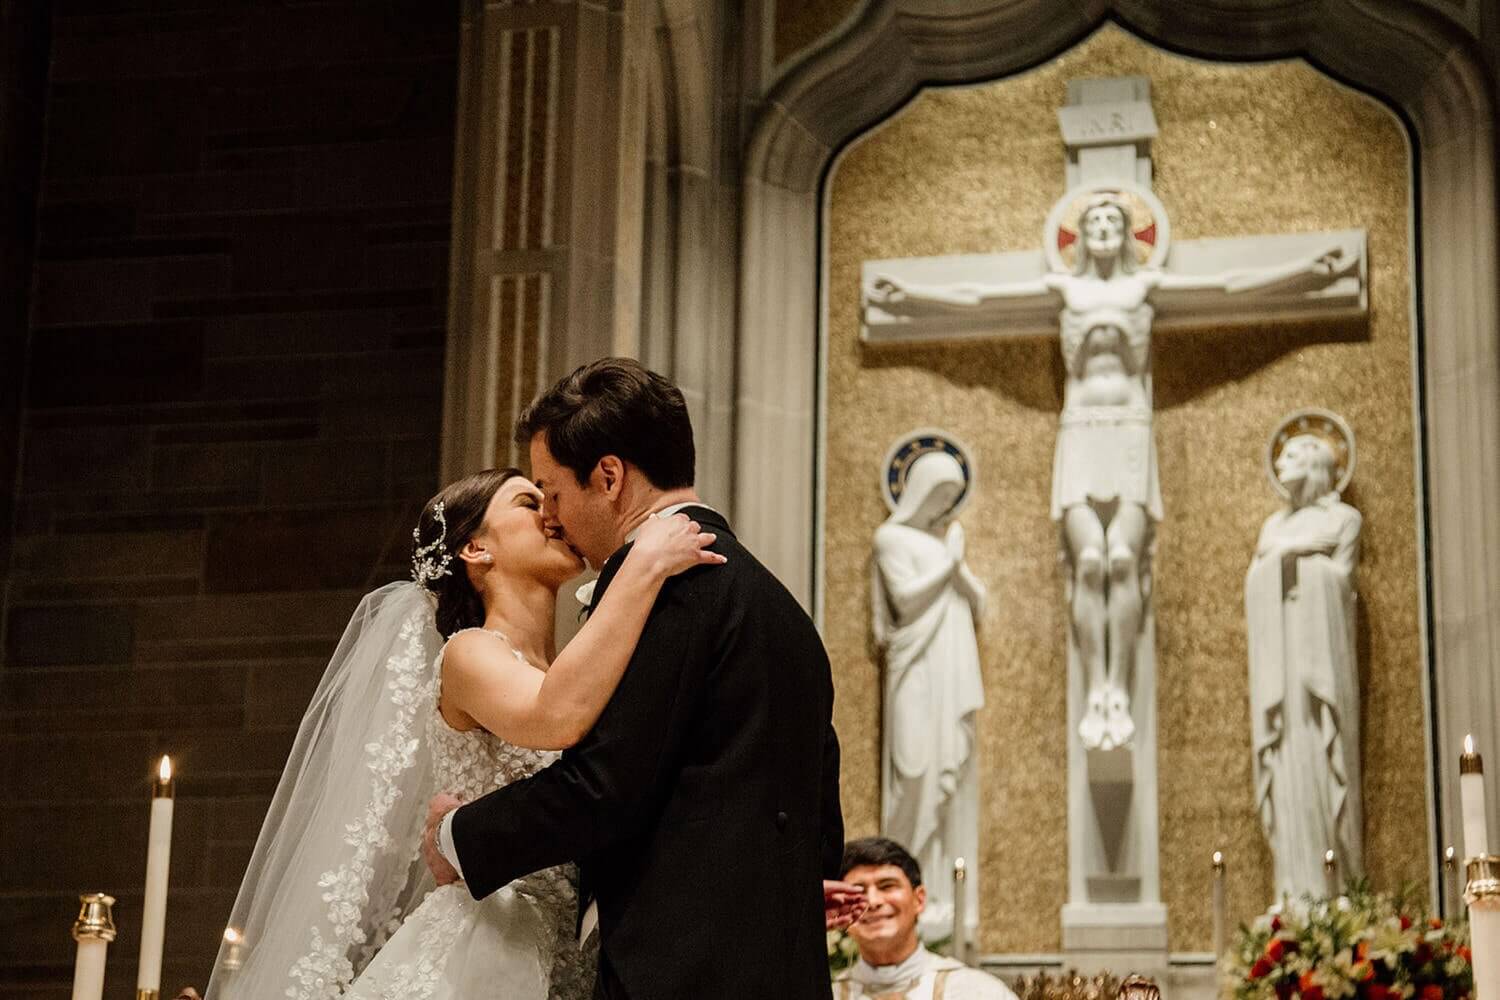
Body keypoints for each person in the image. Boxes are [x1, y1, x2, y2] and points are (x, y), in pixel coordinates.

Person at [206, 466, 725, 1000]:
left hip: (568, 953)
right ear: (476, 549)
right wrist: (640, 566)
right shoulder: (470, 653)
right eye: (529, 502)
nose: (551, 515)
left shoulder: (568, 671)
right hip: (487, 946)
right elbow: (555, 718)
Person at [422, 357, 850, 998]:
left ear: (610, 476)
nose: (551, 518)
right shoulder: (782, 608)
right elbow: (818, 811)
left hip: (682, 972)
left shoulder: (669, 589)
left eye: (554, 493)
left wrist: (457, 835)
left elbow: (604, 786)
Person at [1245, 431, 1363, 897]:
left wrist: (1299, 561)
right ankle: (1292, 889)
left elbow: (1342, 582)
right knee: (1286, 762)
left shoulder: (1344, 520)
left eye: (1295, 453)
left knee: (1321, 756)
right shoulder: (1271, 529)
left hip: (1322, 668)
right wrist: (1279, 563)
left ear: (1318, 463)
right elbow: (1256, 585)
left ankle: (1334, 890)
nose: (1282, 460)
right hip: (1282, 666)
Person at [834, 837, 1017, 1000]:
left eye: (887, 886)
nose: (872, 902)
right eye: (858, 891)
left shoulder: (976, 991)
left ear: (919, 900)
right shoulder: (826, 993)